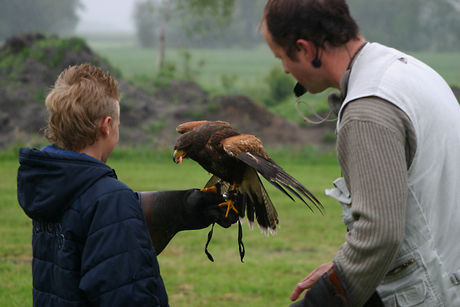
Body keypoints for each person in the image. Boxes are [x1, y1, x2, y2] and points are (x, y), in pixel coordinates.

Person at [261, 0, 460, 306]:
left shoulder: (367, 110)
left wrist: (324, 298)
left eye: (282, 58)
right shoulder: (407, 70)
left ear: (305, 50)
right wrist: (342, 271)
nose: (286, 69)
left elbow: (379, 235)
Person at [17, 63, 237, 306]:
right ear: (107, 126)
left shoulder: (49, 185)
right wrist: (124, 207)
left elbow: (85, 224)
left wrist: (181, 208)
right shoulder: (110, 200)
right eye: (118, 125)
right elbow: (127, 295)